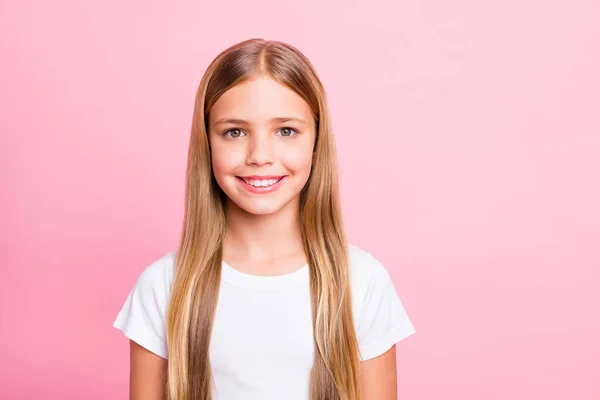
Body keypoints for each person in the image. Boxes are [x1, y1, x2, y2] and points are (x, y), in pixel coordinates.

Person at [113, 38, 416, 400]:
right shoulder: (163, 286)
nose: (260, 156)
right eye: (234, 132)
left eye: (285, 131)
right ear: (207, 144)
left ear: (316, 144)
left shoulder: (362, 282)